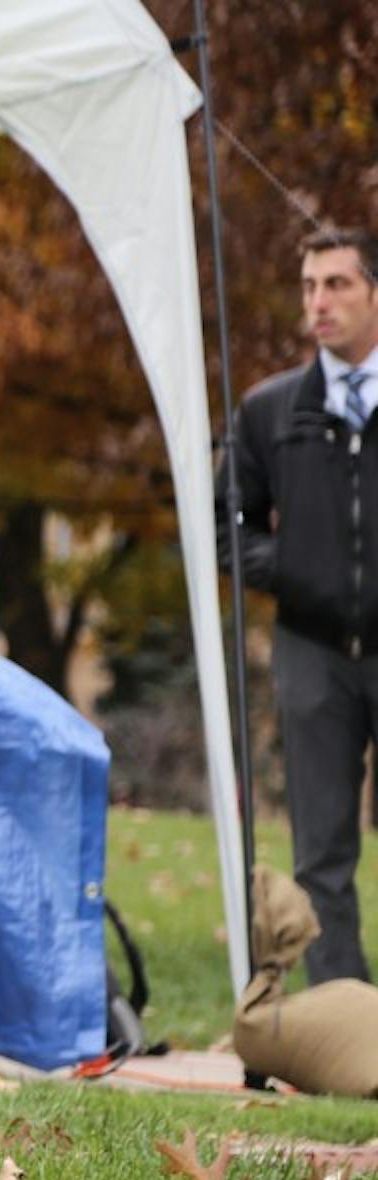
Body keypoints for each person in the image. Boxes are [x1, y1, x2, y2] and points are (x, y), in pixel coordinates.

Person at [221, 226, 378, 984]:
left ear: (374, 292)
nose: (320, 302)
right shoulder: (269, 411)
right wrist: (290, 569)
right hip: (311, 650)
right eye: (310, 286)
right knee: (322, 850)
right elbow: (230, 522)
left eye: (338, 284)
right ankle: (350, 1024)